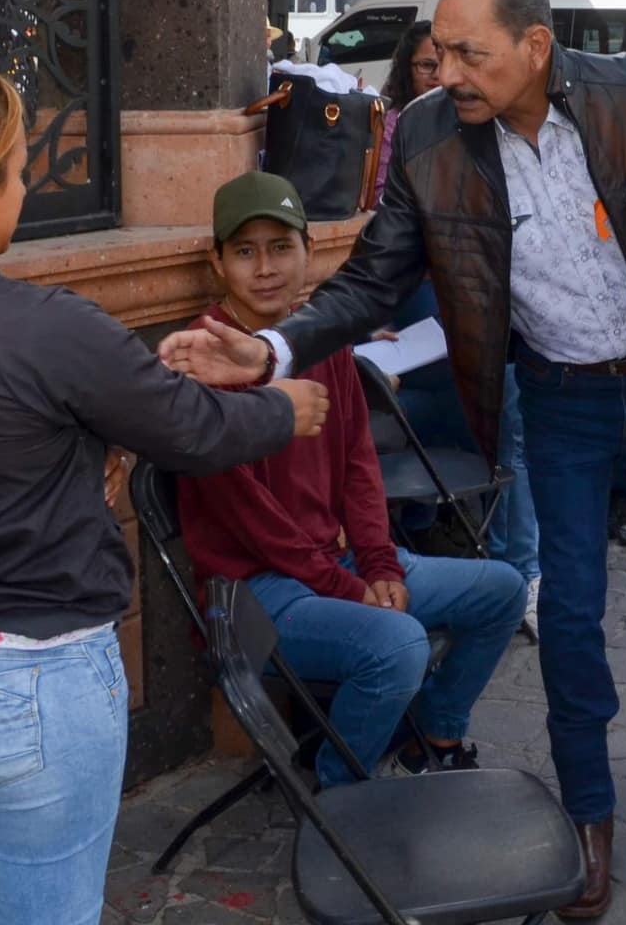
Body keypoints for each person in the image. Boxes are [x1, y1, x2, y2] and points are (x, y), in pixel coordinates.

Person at [156, 0, 626, 918]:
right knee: (574, 617)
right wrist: (269, 356)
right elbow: (368, 283)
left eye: (471, 53)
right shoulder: (424, 141)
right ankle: (591, 815)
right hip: (562, 403)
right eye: (441, 52)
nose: (447, 71)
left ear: (537, 45)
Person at [0, 64, 324, 923]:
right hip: (24, 680)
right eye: (16, 171)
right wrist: (283, 406)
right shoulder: (43, 327)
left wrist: (94, 431)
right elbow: (193, 431)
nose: (24, 188)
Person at [179, 172, 526, 785]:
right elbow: (249, 519)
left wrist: (381, 563)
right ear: (218, 262)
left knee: (500, 589)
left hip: (336, 564)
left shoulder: (317, 339)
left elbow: (358, 465)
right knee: (398, 646)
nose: (265, 268)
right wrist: (346, 587)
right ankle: (339, 788)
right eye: (245, 251)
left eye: (281, 247)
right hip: (255, 591)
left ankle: (434, 735)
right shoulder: (205, 358)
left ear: (309, 252)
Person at [374, 19, 438, 206]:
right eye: (427, 65)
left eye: (446, 63)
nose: (438, 74)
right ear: (406, 69)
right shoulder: (394, 124)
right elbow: (380, 196)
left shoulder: (469, 118)